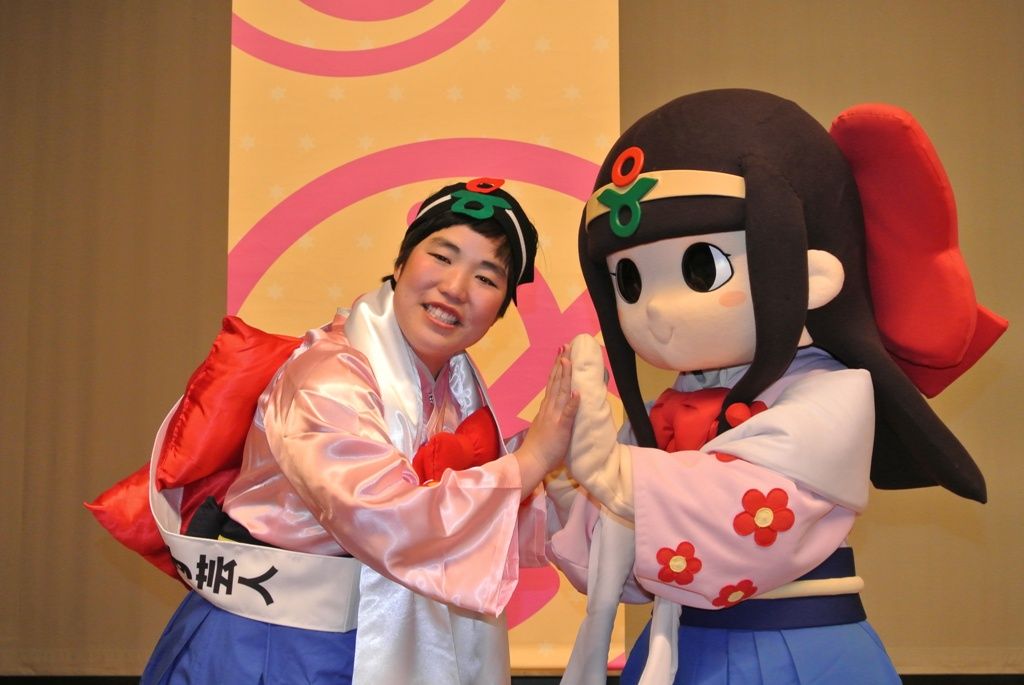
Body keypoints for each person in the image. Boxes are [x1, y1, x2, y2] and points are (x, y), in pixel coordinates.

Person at [548, 90, 1005, 684]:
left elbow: (749, 516)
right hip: (680, 647)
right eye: (630, 282)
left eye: (701, 268)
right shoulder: (673, 407)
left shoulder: (832, 394)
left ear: (813, 273)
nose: (654, 309)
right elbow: (623, 569)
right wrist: (561, 476)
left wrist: (611, 473)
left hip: (797, 651)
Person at [141, 179, 579, 684]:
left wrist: (583, 481)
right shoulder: (328, 376)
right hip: (272, 642)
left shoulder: (455, 390)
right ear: (401, 263)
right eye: (441, 256)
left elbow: (488, 521)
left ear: (501, 311)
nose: (455, 288)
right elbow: (385, 515)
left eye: (485, 278)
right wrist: (530, 462)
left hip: (360, 638)